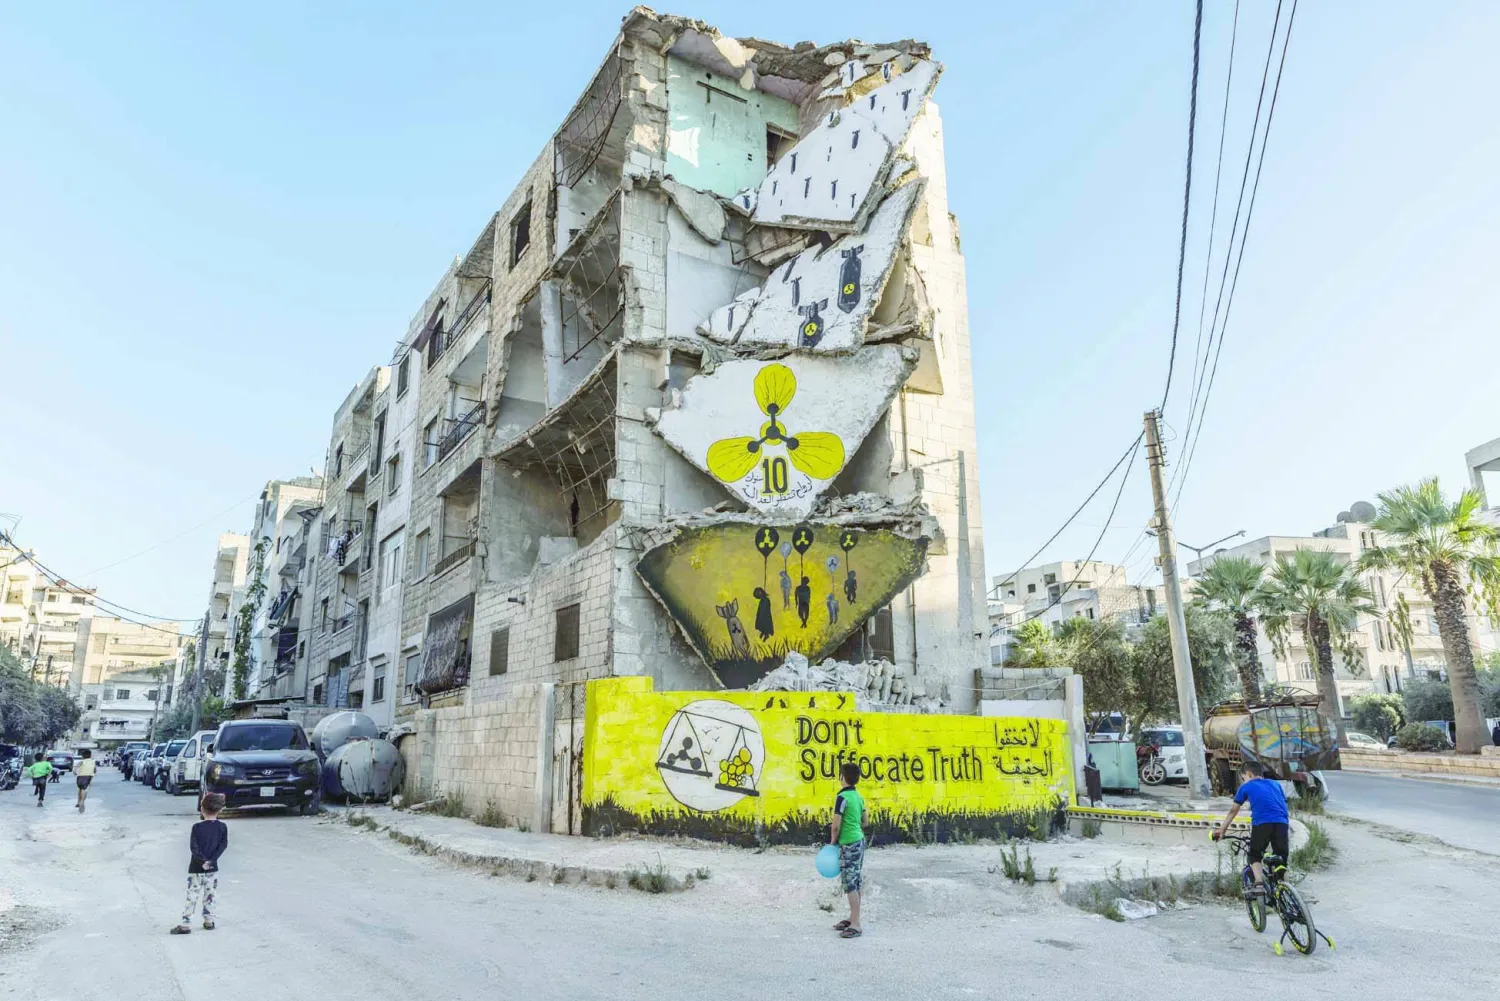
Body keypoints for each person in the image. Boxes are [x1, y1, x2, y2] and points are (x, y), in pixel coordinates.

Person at [1213, 763, 1290, 896]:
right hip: (1282, 823)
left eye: (1243, 778)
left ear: (1248, 774)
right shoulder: (1276, 784)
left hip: (1262, 823)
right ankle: (1287, 890)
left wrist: (1222, 830)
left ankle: (1259, 884)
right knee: (1281, 858)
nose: (1243, 780)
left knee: (1255, 854)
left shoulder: (1246, 786)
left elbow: (1233, 811)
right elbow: (1281, 803)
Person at [172, 792, 229, 934]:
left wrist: (202, 861)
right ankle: (208, 921)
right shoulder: (222, 827)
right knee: (210, 894)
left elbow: (194, 847)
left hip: (196, 868)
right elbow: (223, 845)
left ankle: (185, 924)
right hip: (212, 868)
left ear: (202, 809)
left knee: (192, 895)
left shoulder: (197, 827)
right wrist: (211, 861)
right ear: (220, 810)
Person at [828, 761, 866, 939]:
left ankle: (856, 924)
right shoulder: (858, 797)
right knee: (856, 880)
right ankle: (853, 918)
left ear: (842, 778)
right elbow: (865, 821)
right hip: (859, 841)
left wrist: (833, 842)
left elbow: (836, 824)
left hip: (848, 843)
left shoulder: (842, 797)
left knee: (850, 883)